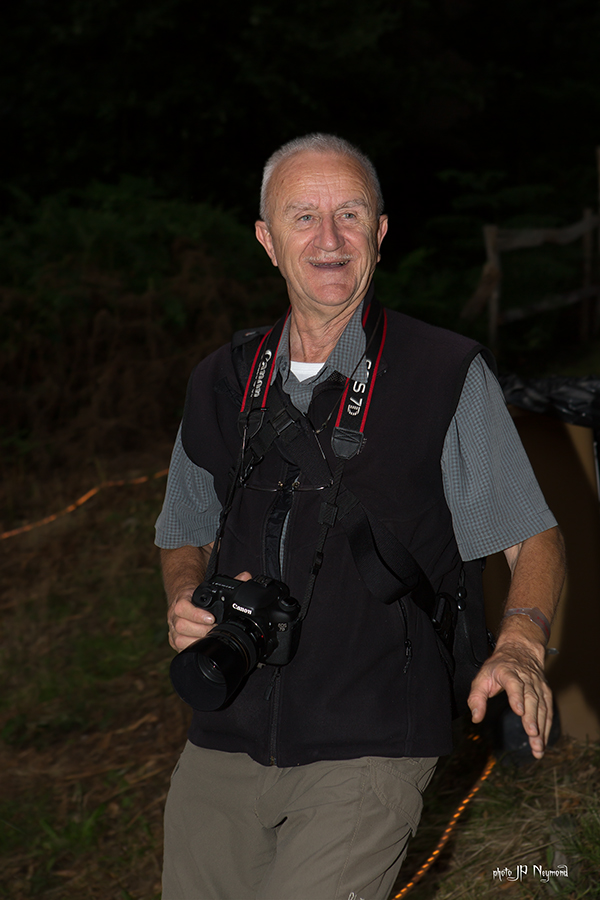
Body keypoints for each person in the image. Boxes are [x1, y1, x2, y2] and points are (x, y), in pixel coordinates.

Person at [156, 133, 566, 900]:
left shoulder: (441, 373)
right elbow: (184, 526)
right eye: (303, 216)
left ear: (379, 233)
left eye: (350, 214)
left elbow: (532, 536)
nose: (329, 238)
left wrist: (519, 646)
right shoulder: (220, 380)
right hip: (224, 719)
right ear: (266, 240)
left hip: (373, 736)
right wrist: (185, 595)